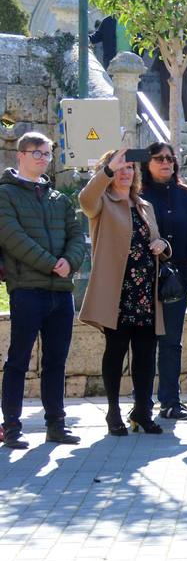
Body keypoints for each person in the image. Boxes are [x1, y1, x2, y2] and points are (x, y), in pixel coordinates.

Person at [0, 132, 87, 448]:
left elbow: (77, 237)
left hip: (59, 292)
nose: (41, 158)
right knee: (18, 360)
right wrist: (53, 262)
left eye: (47, 153)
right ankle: (11, 427)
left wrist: (69, 261)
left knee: (56, 361)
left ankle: (56, 425)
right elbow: (13, 238)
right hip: (27, 289)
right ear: (19, 154)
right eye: (35, 152)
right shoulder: (5, 195)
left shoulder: (58, 199)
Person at [78, 148, 173, 436]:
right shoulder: (101, 202)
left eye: (130, 167)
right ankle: (113, 412)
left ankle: (142, 411)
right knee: (116, 352)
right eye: (119, 167)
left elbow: (157, 242)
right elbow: (84, 198)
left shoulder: (144, 205)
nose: (126, 172)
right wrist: (106, 170)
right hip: (117, 293)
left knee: (145, 355)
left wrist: (163, 247)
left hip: (145, 292)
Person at [140, 141, 187, 420]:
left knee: (171, 341)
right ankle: (141, 401)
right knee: (143, 341)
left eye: (169, 158)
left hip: (178, 280)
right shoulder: (137, 195)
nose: (166, 162)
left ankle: (171, 401)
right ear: (147, 164)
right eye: (158, 159)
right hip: (143, 280)